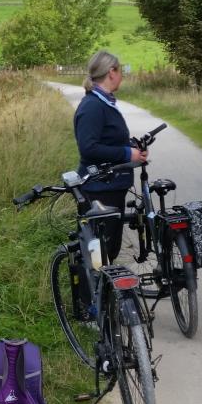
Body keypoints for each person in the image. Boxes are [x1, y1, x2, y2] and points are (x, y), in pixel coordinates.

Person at [74, 50, 147, 263]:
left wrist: (135, 149)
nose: (122, 75)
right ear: (111, 72)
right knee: (99, 256)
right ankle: (93, 297)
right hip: (100, 190)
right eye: (120, 71)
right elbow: (88, 148)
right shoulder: (92, 106)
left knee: (108, 252)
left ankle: (106, 295)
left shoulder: (104, 103)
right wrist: (126, 152)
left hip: (111, 187)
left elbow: (108, 139)